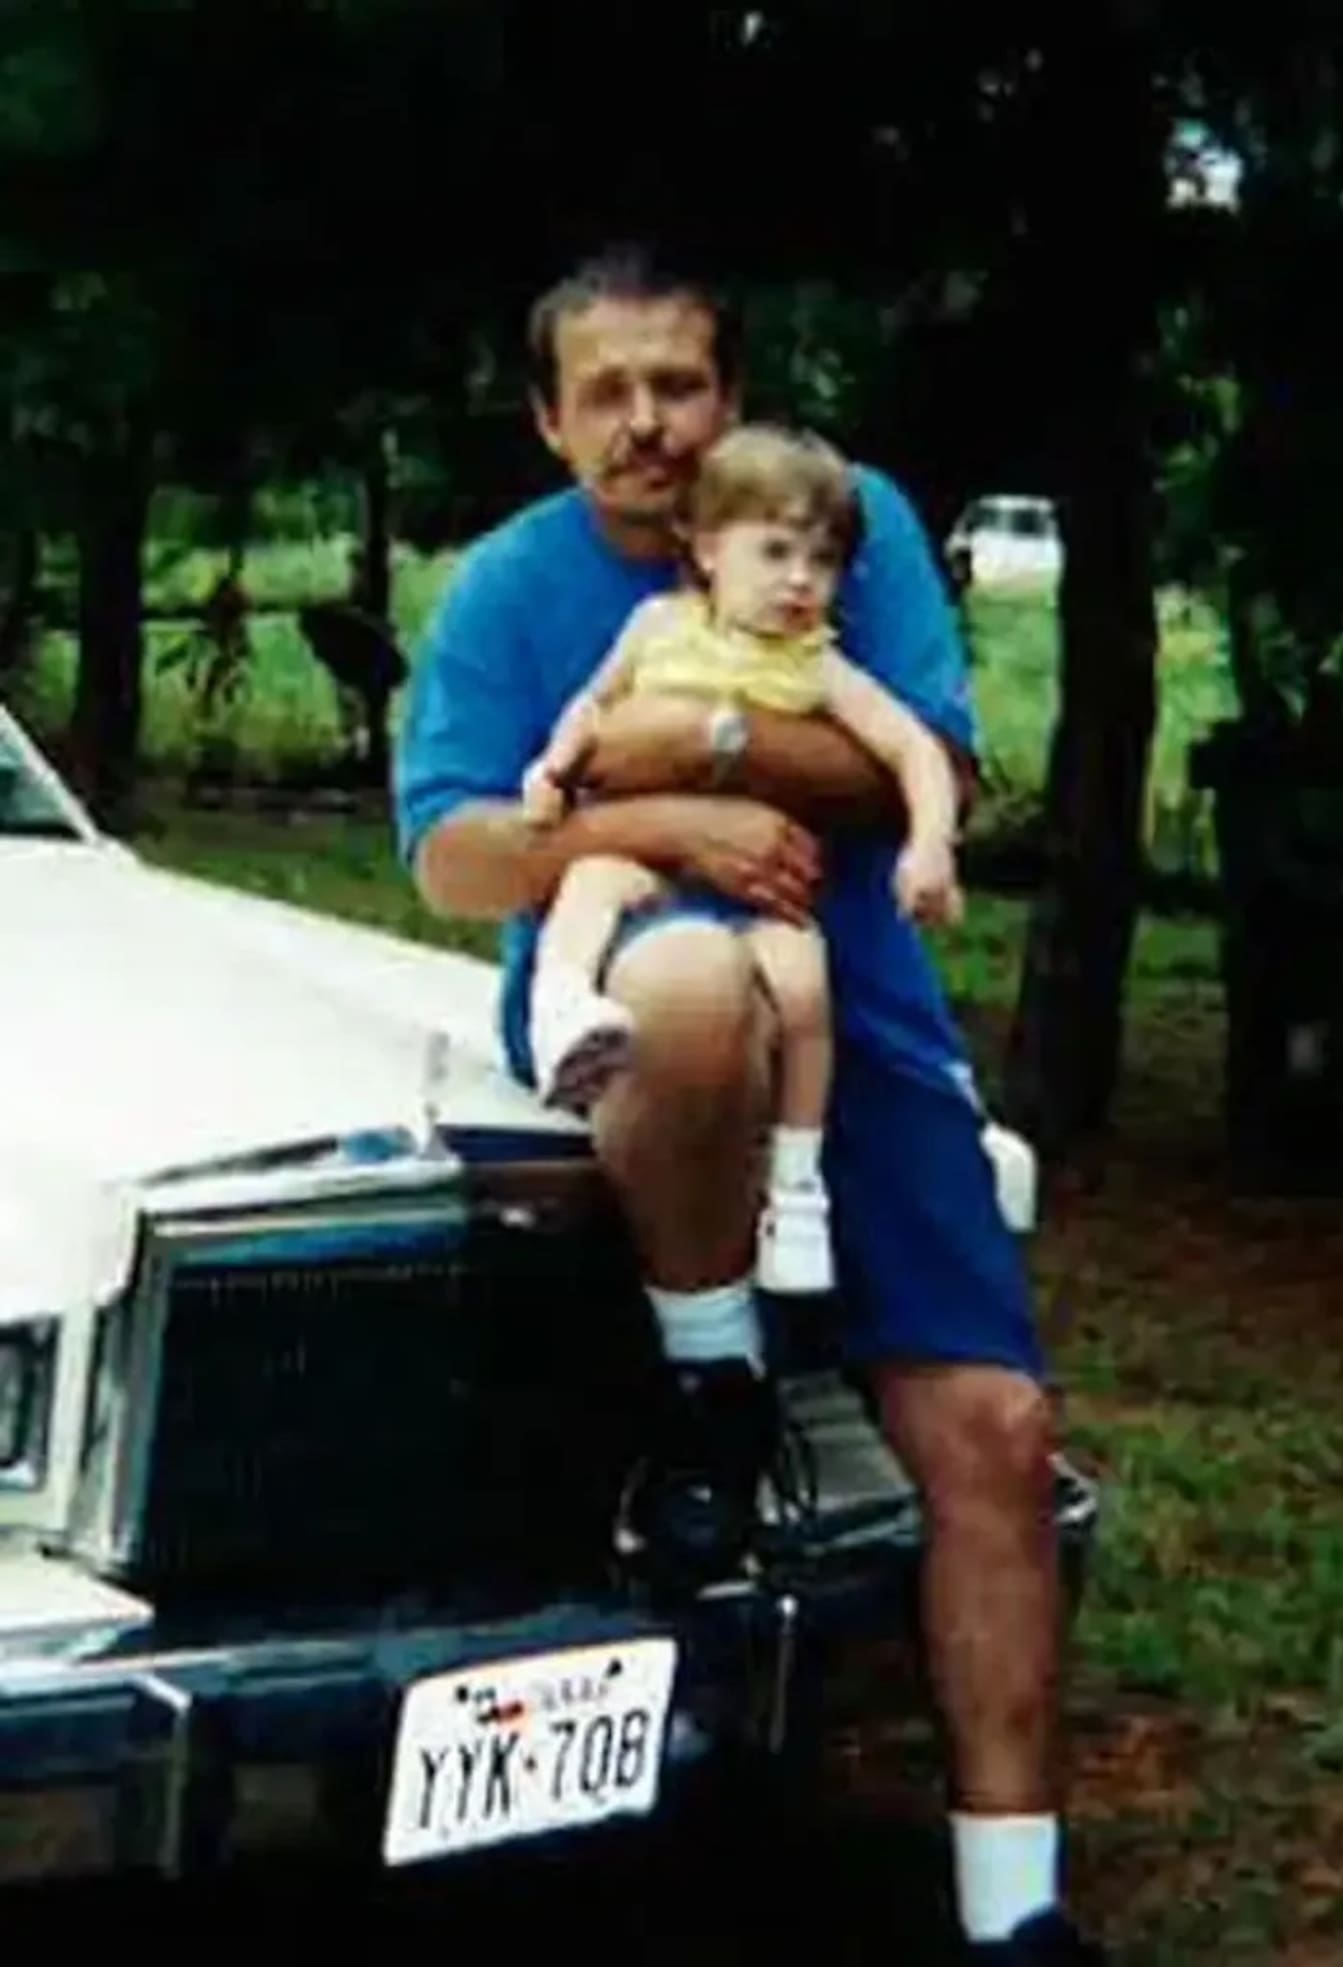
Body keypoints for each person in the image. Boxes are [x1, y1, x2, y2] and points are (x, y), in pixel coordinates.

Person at [396, 245, 1103, 1965]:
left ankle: (1015, 1912)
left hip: (865, 1019)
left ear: (732, 395)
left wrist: (691, 746)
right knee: (700, 990)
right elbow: (452, 852)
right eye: (608, 393)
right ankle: (712, 1379)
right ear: (550, 420)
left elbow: (916, 759)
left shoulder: (842, 521)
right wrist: (654, 827)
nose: (648, 423)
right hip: (640, 1011)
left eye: (681, 385)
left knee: (1001, 1437)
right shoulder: (511, 586)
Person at [520, 422, 962, 1299]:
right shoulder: (658, 626)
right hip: (654, 868)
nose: (800, 580)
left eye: (823, 560)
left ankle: (796, 1186)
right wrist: (553, 768)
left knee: (804, 990)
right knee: (589, 883)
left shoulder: (816, 666)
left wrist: (929, 845)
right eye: (776, 552)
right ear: (706, 547)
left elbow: (915, 748)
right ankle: (561, 1013)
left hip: (763, 894)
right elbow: (593, 703)